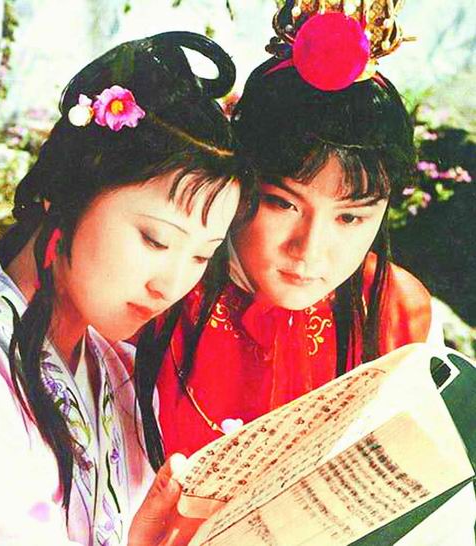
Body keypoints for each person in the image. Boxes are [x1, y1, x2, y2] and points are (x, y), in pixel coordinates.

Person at [0, 31, 252, 545]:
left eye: (200, 256)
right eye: (156, 239)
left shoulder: (118, 372)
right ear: (67, 194)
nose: (171, 284)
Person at [135, 1, 445, 466]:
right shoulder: (161, 286)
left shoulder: (398, 313)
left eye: (350, 218)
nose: (309, 251)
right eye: (282, 203)